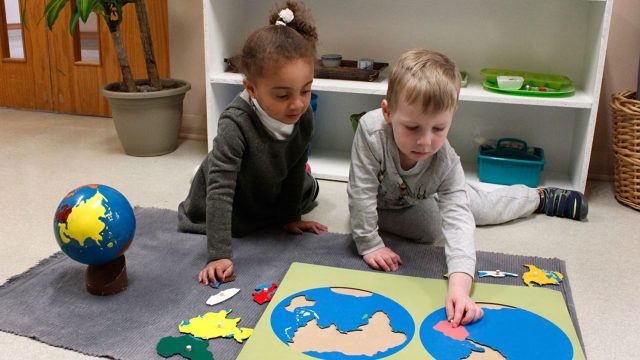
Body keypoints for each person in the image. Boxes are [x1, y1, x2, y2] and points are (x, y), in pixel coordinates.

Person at [347, 49, 588, 328]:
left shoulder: (445, 160)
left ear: (452, 116)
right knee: (428, 228)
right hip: (388, 202)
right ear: (388, 112)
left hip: (426, 192)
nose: (425, 141)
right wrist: (369, 244)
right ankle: (460, 191)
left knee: (478, 208)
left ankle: (537, 198)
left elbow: (459, 223)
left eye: (439, 128)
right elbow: (360, 190)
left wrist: (459, 288)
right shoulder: (370, 130)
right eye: (412, 127)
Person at [178, 0, 327, 286]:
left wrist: (290, 217)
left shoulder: (304, 116)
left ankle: (281, 207)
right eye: (283, 95)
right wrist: (218, 255)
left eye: (306, 90)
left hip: (268, 180)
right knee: (226, 208)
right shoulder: (235, 123)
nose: (297, 104)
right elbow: (221, 189)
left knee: (308, 186)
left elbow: (296, 164)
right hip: (235, 191)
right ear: (251, 89)